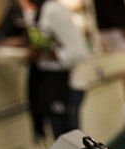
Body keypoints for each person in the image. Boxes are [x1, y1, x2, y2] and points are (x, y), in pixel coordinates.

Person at [18, 0, 89, 140]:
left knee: (71, 147)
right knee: (64, 145)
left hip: (64, 88)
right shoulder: (42, 11)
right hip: (54, 88)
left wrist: (45, 53)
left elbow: (78, 52)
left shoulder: (53, 10)